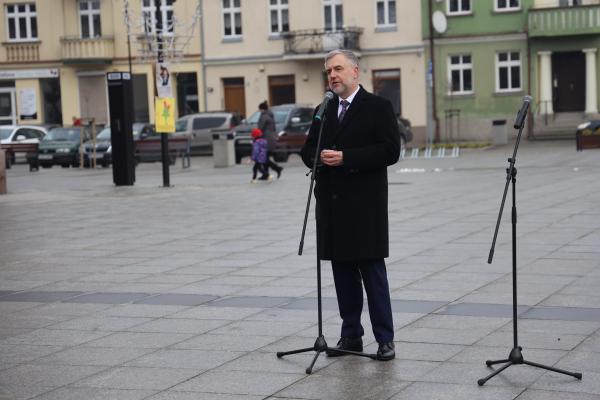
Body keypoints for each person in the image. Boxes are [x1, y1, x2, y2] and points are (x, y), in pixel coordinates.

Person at [300, 49, 400, 361]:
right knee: (343, 277)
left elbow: (390, 151)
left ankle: (385, 339)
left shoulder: (378, 107)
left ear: (355, 72)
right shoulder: (325, 108)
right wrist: (320, 157)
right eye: (329, 71)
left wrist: (346, 158)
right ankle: (351, 336)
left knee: (373, 276)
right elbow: (307, 150)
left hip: (365, 208)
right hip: (332, 207)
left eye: (338, 69)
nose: (332, 75)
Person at [257, 101, 283, 179]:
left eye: (259, 109)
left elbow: (260, 128)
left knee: (264, 158)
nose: (259, 111)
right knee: (265, 158)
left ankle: (277, 168)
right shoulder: (270, 115)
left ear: (262, 109)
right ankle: (266, 174)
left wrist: (256, 137)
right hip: (271, 140)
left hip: (266, 140)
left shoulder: (264, 116)